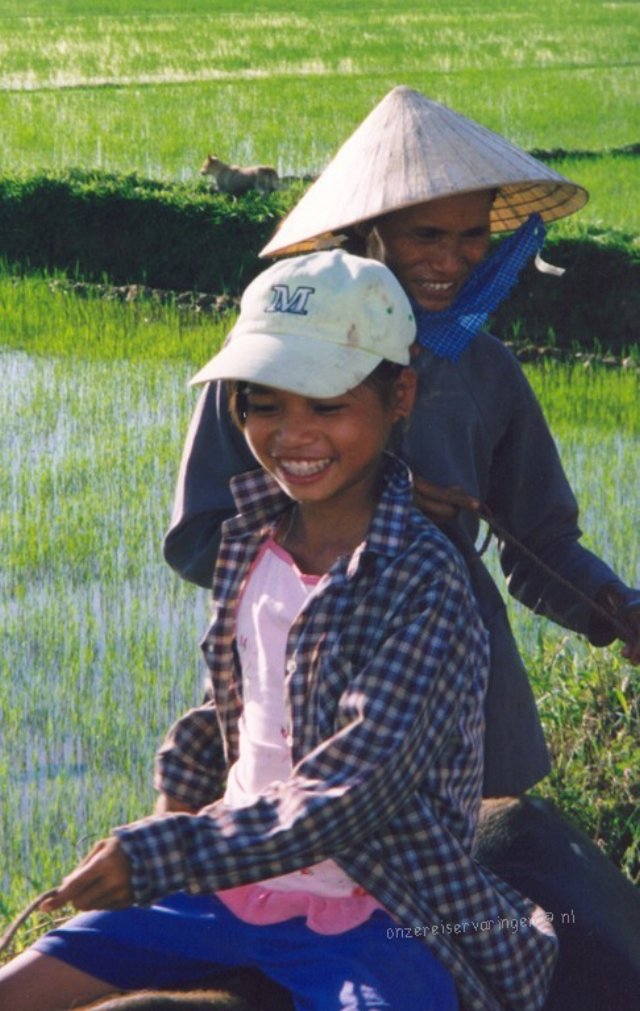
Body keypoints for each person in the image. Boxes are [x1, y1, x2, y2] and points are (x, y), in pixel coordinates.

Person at [161, 88, 640, 1009]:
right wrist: (373, 494)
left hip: (467, 696)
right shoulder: (270, 361)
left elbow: (540, 540)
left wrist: (614, 609)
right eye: (427, 236)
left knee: (468, 943)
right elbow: (199, 537)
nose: (453, 260)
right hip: (308, 688)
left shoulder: (485, 370)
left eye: (471, 238)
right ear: (370, 232)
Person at [0, 250, 558, 1011]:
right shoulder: (250, 542)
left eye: (327, 405)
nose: (294, 434)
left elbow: (350, 792)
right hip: (226, 884)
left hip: (374, 906)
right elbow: (224, 706)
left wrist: (167, 852)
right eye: (266, 405)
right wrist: (165, 813)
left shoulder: (424, 582)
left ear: (400, 394)